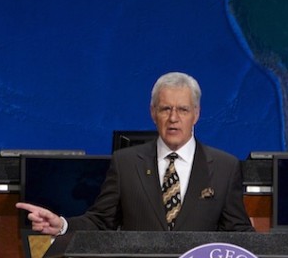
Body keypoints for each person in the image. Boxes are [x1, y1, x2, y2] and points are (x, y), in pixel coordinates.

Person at [16, 72, 254, 233]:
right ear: (153, 113)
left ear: (196, 114)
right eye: (165, 109)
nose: (173, 118)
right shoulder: (126, 164)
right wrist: (62, 225)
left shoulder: (225, 167)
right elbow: (100, 221)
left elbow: (240, 234)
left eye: (182, 109)